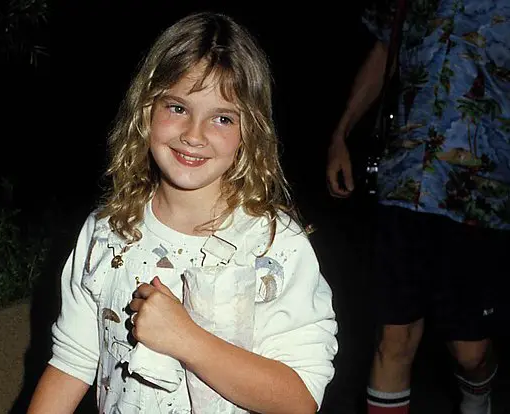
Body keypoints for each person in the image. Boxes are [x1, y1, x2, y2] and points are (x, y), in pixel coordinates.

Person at [27, 11, 338, 414]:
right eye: (177, 108)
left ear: (250, 130)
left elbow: (299, 400)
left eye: (222, 118)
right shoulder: (108, 231)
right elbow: (72, 362)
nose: (193, 134)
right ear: (146, 110)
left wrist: (187, 340)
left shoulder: (274, 247)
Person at [327, 1, 509, 413]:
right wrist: (341, 133)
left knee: (470, 352)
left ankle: (478, 393)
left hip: (483, 193)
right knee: (393, 339)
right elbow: (384, 51)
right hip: (405, 181)